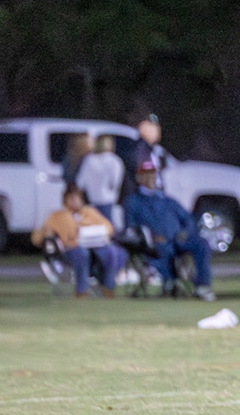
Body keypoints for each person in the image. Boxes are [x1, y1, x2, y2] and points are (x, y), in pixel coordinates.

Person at [125, 160, 215, 301]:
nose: (150, 178)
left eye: (152, 174)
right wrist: (151, 237)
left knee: (201, 243)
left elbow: (188, 219)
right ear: (139, 178)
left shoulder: (167, 200)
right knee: (163, 248)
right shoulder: (133, 202)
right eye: (146, 175)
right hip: (154, 243)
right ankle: (170, 282)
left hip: (178, 239)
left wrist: (185, 232)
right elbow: (132, 227)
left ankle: (203, 285)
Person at [31, 184, 125, 298]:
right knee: (81, 253)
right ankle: (82, 291)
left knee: (112, 252)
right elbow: (37, 238)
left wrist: (88, 226)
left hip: (96, 245)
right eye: (71, 198)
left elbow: (108, 227)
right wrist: (46, 233)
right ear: (65, 200)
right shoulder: (57, 216)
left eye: (77, 198)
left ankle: (107, 287)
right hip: (72, 248)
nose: (74, 201)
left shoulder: (90, 212)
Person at [75, 134, 126, 229]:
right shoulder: (113, 160)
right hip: (108, 199)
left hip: (93, 199)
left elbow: (80, 182)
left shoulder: (89, 160)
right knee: (108, 226)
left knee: (94, 226)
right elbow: (115, 181)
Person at [126, 114, 173, 192]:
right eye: (150, 127)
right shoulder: (139, 148)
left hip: (157, 188)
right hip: (145, 190)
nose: (155, 131)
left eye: (156, 127)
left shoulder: (157, 149)